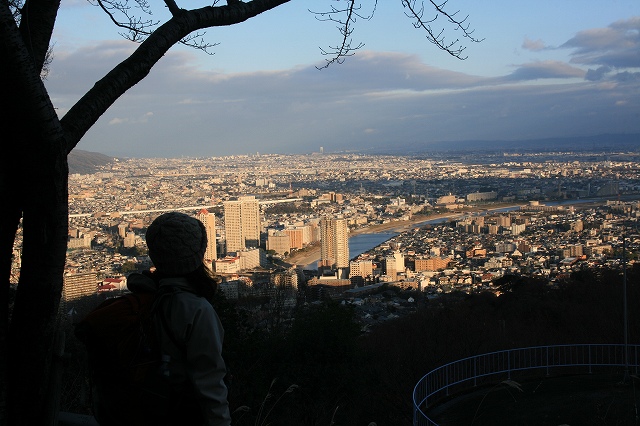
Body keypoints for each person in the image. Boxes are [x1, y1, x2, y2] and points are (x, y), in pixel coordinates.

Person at [127, 211, 231, 425]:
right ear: (197, 255)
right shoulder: (196, 310)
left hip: (143, 410)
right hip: (181, 413)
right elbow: (210, 383)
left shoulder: (141, 299)